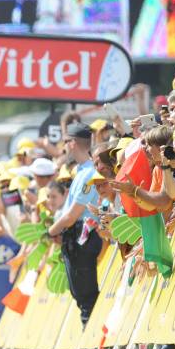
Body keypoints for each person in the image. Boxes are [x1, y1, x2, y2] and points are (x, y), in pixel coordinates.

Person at [47, 123, 102, 328]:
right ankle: (89, 334)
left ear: (73, 144)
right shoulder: (80, 171)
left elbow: (72, 214)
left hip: (82, 234)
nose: (64, 146)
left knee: (86, 292)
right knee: (79, 290)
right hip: (75, 235)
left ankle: (92, 337)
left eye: (66, 141)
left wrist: (50, 231)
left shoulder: (88, 174)